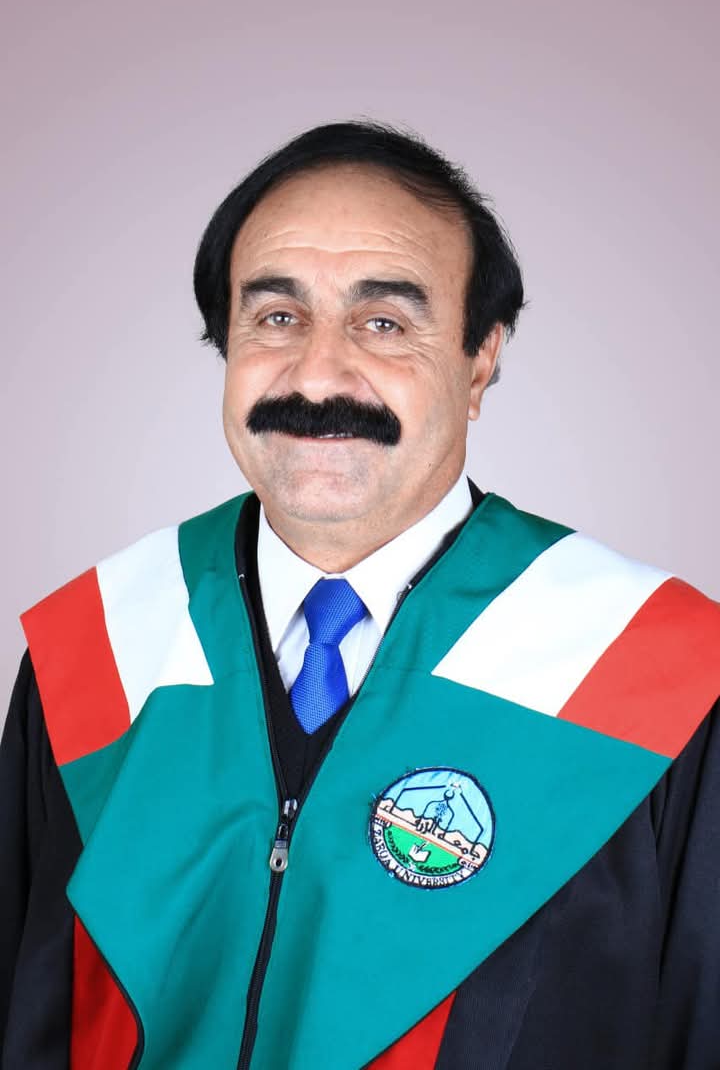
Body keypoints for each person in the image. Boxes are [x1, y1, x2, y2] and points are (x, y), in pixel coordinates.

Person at [2, 121, 719, 1070]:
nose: (317, 375)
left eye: (384, 323)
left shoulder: (658, 680)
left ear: (480, 359)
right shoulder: (97, 654)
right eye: (276, 317)